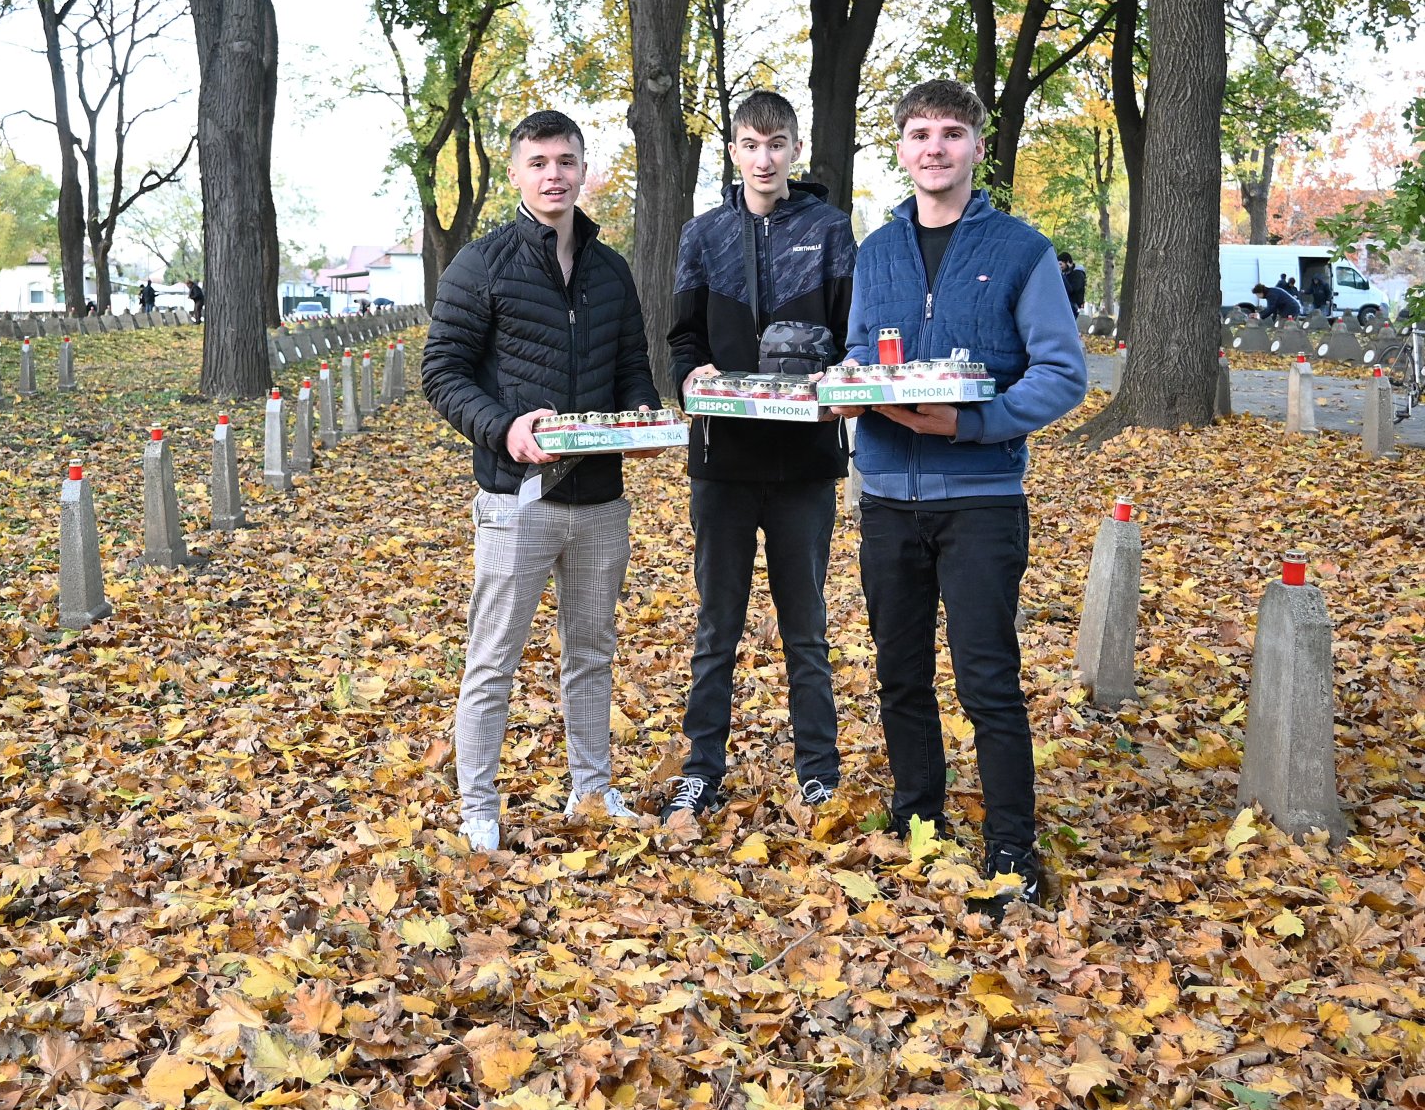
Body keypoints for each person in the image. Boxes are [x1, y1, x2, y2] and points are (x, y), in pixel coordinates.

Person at [832, 79, 1087, 911]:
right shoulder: (874, 252)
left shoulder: (1021, 250)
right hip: (885, 500)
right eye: (919, 134)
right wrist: (844, 387)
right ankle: (920, 821)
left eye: (950, 134)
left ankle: (1011, 842)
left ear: (978, 148)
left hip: (980, 498)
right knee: (899, 674)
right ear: (900, 150)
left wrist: (973, 425)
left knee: (987, 678)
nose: (934, 148)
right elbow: (862, 356)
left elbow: (1061, 373)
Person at [422, 109, 661, 853]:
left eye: (566, 160)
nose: (554, 174)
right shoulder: (481, 264)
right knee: (492, 657)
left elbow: (631, 373)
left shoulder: (610, 269)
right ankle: (478, 806)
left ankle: (590, 790)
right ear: (517, 173)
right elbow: (443, 373)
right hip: (513, 500)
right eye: (539, 162)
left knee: (591, 652)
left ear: (584, 169)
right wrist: (505, 428)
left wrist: (644, 420)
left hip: (599, 503)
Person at [662, 90, 856, 822]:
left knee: (806, 627)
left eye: (777, 144)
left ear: (795, 149)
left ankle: (819, 772)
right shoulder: (702, 235)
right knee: (718, 625)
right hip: (724, 460)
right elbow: (684, 337)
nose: (765, 157)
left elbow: (853, 334)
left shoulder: (832, 231)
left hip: (806, 461)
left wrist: (841, 377)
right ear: (735, 151)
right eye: (751, 144)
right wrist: (691, 375)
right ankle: (701, 768)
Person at [1058, 251, 1086, 319]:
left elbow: (1071, 290)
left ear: (1067, 262)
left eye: (1061, 264)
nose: (1060, 267)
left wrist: (1061, 276)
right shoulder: (1066, 274)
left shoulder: (1078, 274)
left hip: (1074, 306)